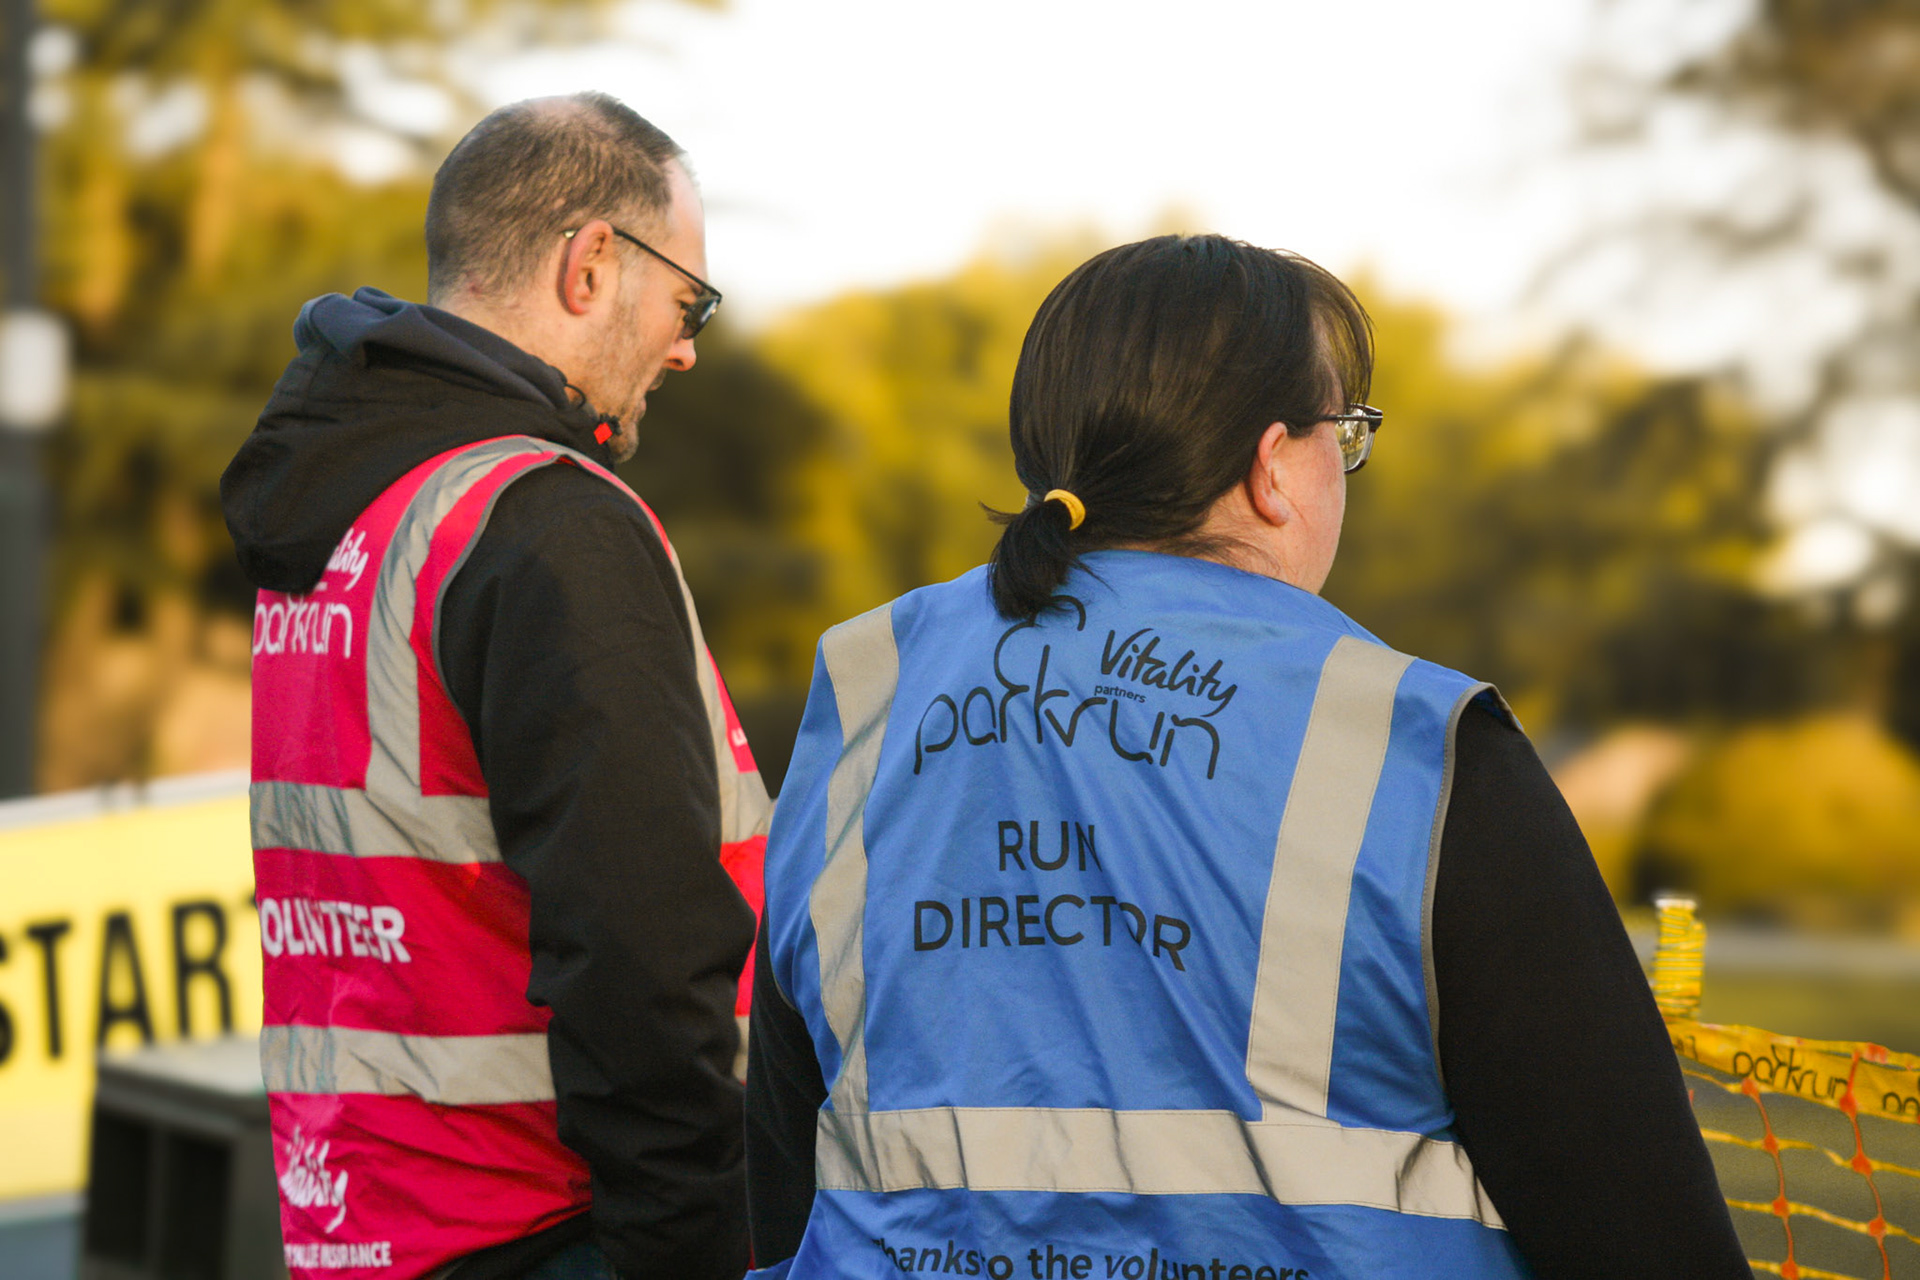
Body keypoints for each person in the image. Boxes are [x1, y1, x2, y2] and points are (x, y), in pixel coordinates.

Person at [743, 236, 1751, 1277]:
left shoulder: (867, 689)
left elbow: (782, 1163)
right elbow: (1652, 1237)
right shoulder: (1415, 744)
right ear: (1272, 466)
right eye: (1345, 434)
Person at [222, 93, 769, 1280]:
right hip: (551, 1223)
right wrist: (697, 1248)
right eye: (688, 302)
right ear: (592, 264)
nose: (685, 347)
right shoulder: (544, 522)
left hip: (366, 1217)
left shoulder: (352, 508)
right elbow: (639, 942)